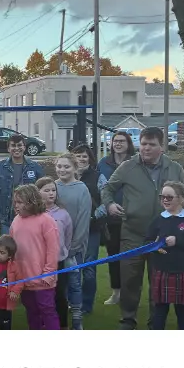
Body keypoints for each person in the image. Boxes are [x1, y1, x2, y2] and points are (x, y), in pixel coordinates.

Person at [101, 126, 184, 330]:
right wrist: (110, 205)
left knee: (157, 281)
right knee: (130, 280)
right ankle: (128, 319)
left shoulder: (174, 169)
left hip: (162, 237)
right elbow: (107, 189)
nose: (146, 148)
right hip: (132, 233)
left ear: (162, 147)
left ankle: (155, 322)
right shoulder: (128, 166)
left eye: (152, 144)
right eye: (143, 144)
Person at [146, 180, 184, 329]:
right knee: (159, 311)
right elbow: (147, 241)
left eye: (169, 197)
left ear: (181, 199)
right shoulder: (158, 219)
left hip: (182, 270)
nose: (165, 200)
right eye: (162, 196)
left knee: (183, 313)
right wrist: (155, 247)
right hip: (161, 270)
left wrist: (178, 240)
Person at [8, 183, 60, 330]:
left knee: (47, 311)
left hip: (43, 280)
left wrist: (49, 273)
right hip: (24, 279)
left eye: (19, 202)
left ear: (31, 201)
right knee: (31, 312)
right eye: (15, 202)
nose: (16, 206)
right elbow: (12, 249)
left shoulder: (46, 220)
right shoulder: (16, 220)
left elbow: (53, 249)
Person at [54, 154, 92, 330]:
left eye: (66, 167)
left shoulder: (82, 189)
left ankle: (77, 320)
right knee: (57, 284)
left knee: (75, 283)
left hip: (75, 246)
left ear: (75, 168)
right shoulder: (52, 187)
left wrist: (74, 246)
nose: (62, 170)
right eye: (59, 166)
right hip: (55, 247)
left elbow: (84, 219)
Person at [98, 130, 133, 305]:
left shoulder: (135, 163)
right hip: (111, 219)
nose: (118, 144)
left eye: (122, 141)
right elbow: (100, 188)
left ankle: (130, 293)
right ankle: (116, 293)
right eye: (115, 141)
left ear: (128, 144)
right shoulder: (103, 163)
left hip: (132, 219)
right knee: (113, 257)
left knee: (131, 259)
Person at [70, 143, 105, 314]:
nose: (82, 159)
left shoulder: (98, 177)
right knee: (70, 267)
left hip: (91, 229)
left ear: (90, 159)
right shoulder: (66, 176)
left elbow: (106, 201)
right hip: (69, 230)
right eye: (78, 155)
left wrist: (92, 217)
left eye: (85, 156)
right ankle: (72, 301)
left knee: (89, 268)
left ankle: (86, 305)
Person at [0, 134, 44, 234]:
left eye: (19, 145)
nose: (16, 148)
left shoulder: (35, 167)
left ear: (24, 147)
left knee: (27, 248)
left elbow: (42, 192)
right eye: (13, 145)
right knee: (8, 248)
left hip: (30, 216)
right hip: (6, 219)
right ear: (8, 148)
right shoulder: (0, 167)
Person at [38, 176, 75, 330]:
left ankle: (63, 325)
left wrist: (62, 252)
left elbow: (67, 236)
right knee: (40, 295)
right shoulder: (35, 214)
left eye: (53, 190)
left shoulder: (63, 214)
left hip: (58, 261)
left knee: (59, 294)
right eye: (46, 190)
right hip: (39, 261)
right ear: (38, 193)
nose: (51, 193)